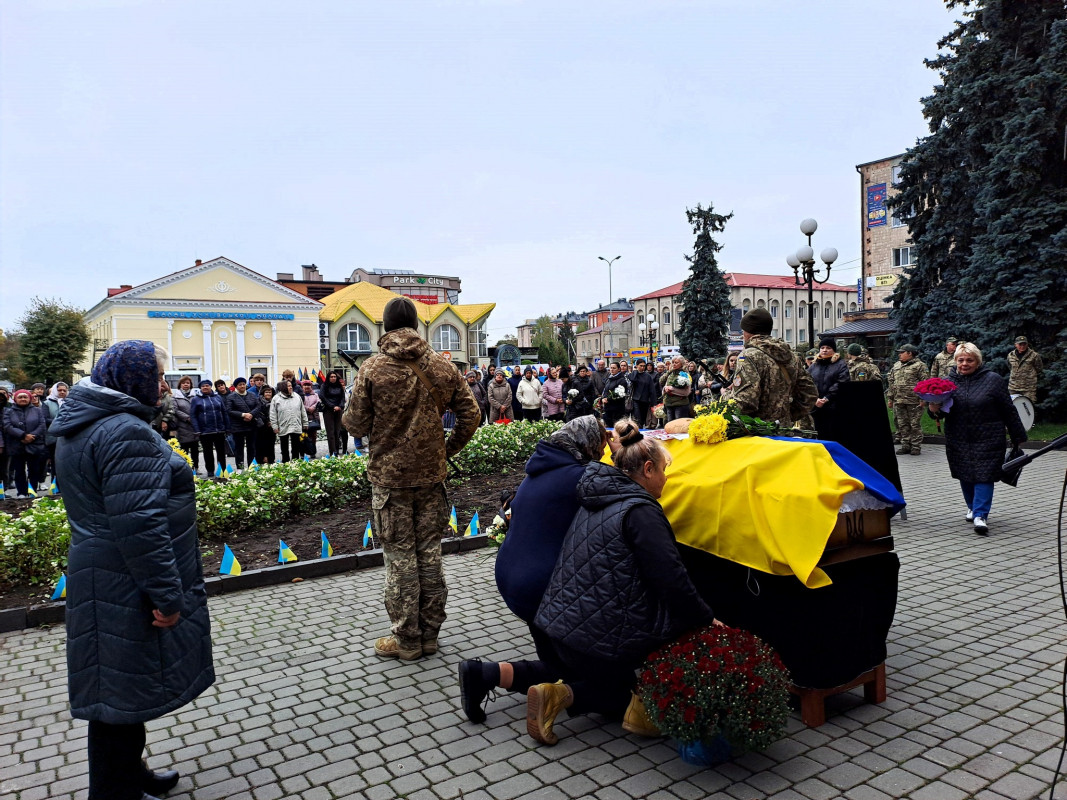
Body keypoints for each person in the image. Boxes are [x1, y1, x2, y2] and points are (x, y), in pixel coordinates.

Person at [50, 340, 214, 800]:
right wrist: (167, 596)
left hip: (102, 570)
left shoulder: (82, 423)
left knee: (122, 683)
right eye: (158, 377)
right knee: (117, 695)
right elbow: (141, 524)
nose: (163, 386)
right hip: (124, 578)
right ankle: (114, 791)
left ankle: (129, 774)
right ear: (135, 379)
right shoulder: (124, 431)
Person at [526, 420, 715, 745]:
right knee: (624, 693)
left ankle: (600, 693)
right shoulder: (640, 511)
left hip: (557, 629)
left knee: (620, 684)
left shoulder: (598, 495)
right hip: (593, 642)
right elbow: (671, 582)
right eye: (664, 470)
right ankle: (561, 695)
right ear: (647, 468)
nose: (667, 479)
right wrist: (708, 620)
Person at [343, 296, 481, 660]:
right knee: (430, 554)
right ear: (417, 325)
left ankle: (407, 640)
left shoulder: (372, 370)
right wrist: (446, 450)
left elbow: (354, 424)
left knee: (401, 557)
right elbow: (472, 415)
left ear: (385, 326)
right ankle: (430, 634)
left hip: (390, 482)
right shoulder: (442, 366)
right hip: (431, 478)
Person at [458, 417, 613, 723]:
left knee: (559, 665)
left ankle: (482, 674)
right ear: (586, 443)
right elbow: (625, 492)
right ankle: (596, 696)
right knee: (593, 675)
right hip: (539, 586)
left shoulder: (543, 467)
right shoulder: (581, 475)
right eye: (602, 442)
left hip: (514, 576)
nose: (604, 448)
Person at [928, 342, 1027, 535]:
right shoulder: (948, 382)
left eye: (969, 360)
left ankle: (981, 515)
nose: (964, 364)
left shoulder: (993, 380)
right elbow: (939, 414)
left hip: (988, 437)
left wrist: (1018, 435)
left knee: (984, 476)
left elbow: (1008, 409)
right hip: (959, 437)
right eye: (961, 360)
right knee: (965, 474)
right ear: (955, 361)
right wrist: (933, 408)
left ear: (978, 361)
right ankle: (972, 506)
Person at [727, 308, 818, 424]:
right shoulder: (791, 356)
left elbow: (745, 402)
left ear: (748, 331)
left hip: (758, 432)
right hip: (783, 431)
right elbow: (810, 394)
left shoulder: (749, 356)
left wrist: (724, 398)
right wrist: (787, 416)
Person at [3, 389, 48, 497]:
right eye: (20, 397)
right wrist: (22, 435)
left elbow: (42, 425)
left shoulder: (37, 410)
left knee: (34, 470)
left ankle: (32, 490)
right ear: (15, 399)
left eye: (25, 397)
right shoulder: (8, 411)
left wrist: (32, 436)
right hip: (16, 444)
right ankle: (21, 492)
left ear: (29, 398)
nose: (23, 399)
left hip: (34, 444)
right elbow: (7, 426)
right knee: (19, 471)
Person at [886, 344, 930, 455]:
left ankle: (915, 446)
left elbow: (925, 383)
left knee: (914, 424)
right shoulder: (896, 365)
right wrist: (890, 398)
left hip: (914, 401)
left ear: (910, 353)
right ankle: (905, 445)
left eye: (902, 352)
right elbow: (891, 382)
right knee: (902, 424)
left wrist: (923, 398)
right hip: (899, 400)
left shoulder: (920, 366)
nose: (899, 354)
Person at [808, 337, 850, 441]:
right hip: (816, 406)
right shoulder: (814, 365)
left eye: (828, 348)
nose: (825, 350)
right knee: (818, 433)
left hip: (833, 406)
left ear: (833, 350)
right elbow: (807, 382)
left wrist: (827, 398)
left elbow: (841, 382)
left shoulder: (840, 364)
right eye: (822, 347)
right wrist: (814, 398)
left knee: (832, 435)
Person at [190, 379, 229, 475]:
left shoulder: (217, 397)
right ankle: (210, 471)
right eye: (203, 386)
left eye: (207, 385)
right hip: (205, 431)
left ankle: (222, 470)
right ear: (200, 388)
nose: (205, 387)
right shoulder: (196, 399)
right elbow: (193, 416)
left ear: (211, 387)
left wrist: (227, 427)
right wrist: (197, 429)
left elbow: (224, 412)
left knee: (221, 452)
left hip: (219, 430)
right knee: (208, 453)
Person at [225, 377, 260, 469]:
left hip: (251, 425)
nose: (242, 386)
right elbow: (229, 410)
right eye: (240, 385)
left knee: (252, 448)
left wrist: (251, 415)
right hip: (238, 426)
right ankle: (240, 467)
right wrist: (243, 415)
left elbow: (258, 406)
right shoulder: (231, 397)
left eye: (243, 384)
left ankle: (252, 467)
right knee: (239, 448)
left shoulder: (252, 395)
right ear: (236, 386)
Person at [270, 379, 308, 462]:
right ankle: (285, 463)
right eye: (288, 386)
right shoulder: (276, 399)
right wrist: (274, 426)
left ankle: (295, 463)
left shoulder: (297, 396)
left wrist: (305, 422)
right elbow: (273, 414)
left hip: (296, 424)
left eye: (291, 386)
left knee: (296, 447)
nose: (291, 387)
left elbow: (302, 411)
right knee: (284, 447)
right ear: (283, 387)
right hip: (283, 425)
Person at [171, 377, 200, 473]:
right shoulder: (175, 397)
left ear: (191, 385)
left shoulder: (195, 396)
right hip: (183, 426)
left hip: (194, 426)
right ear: (180, 385)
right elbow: (175, 410)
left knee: (195, 449)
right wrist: (187, 418)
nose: (186, 384)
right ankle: (186, 469)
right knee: (184, 449)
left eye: (188, 383)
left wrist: (194, 418)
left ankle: (196, 468)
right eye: (183, 383)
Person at [317, 371, 347, 456]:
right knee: (330, 432)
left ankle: (337, 450)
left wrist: (339, 406)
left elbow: (342, 397)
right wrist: (332, 406)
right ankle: (332, 451)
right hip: (328, 410)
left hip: (338, 410)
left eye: (334, 377)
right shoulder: (324, 386)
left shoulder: (339, 386)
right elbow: (322, 397)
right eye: (331, 377)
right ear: (328, 378)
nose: (333, 378)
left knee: (337, 431)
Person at [1007, 336, 1043, 404]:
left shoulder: (1034, 355)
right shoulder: (1010, 355)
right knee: (1013, 407)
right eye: (1020, 344)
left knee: (1029, 409)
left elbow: (1039, 368)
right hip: (1013, 387)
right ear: (1016, 345)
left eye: (1024, 344)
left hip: (1028, 388)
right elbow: (1010, 367)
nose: (1022, 346)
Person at [660, 355, 693, 423]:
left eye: (676, 362)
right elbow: (661, 381)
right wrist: (669, 371)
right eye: (673, 362)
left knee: (678, 425)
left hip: (680, 404)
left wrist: (672, 389)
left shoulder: (685, 374)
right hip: (669, 403)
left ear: (682, 364)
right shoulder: (671, 373)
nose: (674, 364)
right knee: (670, 425)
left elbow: (687, 392)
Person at [254, 384, 278, 464]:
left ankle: (270, 459)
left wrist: (273, 422)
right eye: (266, 392)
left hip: (271, 426)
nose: (268, 394)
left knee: (270, 443)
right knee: (260, 443)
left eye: (269, 392)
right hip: (260, 426)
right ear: (263, 393)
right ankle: (261, 459)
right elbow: (256, 412)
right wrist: (264, 420)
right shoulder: (258, 401)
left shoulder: (275, 401)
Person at [602, 362, 629, 426]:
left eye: (614, 368)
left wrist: (608, 399)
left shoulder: (622, 380)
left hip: (617, 408)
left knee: (617, 426)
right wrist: (603, 398)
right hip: (608, 407)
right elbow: (605, 390)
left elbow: (620, 394)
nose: (612, 370)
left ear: (619, 369)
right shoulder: (609, 379)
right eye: (611, 368)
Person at [301, 380, 322, 458]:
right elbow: (300, 403)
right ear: (302, 387)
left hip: (313, 417)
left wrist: (313, 407)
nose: (307, 387)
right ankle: (302, 452)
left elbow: (318, 401)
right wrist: (307, 408)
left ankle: (312, 451)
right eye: (305, 385)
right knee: (303, 435)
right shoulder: (300, 395)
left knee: (313, 435)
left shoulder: (315, 394)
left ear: (311, 386)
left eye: (308, 385)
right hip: (303, 417)